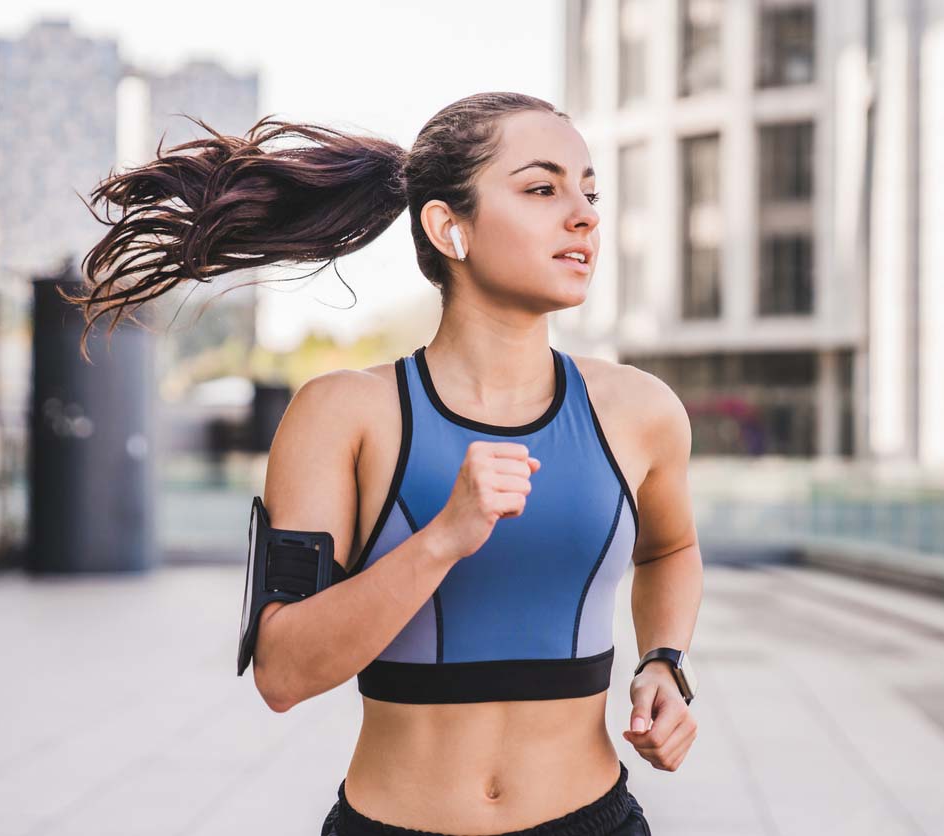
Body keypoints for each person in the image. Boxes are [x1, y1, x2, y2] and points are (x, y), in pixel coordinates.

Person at [70, 92, 703, 836]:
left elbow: (670, 548)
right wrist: (443, 537)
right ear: (448, 227)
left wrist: (662, 660)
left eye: (588, 191)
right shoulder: (342, 415)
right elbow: (282, 672)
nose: (585, 215)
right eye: (542, 188)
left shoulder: (639, 410)